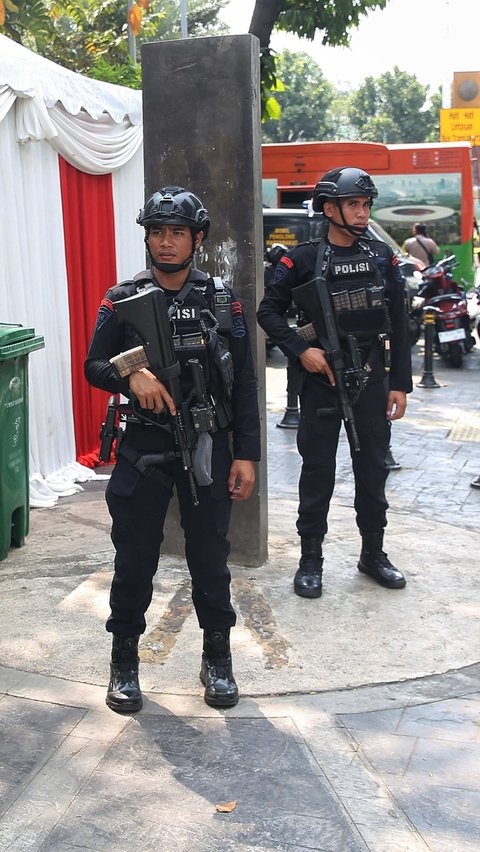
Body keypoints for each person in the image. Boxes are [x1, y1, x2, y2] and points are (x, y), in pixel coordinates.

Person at [84, 186, 260, 713]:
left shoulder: (220, 300)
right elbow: (93, 366)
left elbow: (246, 382)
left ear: (196, 239)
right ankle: (124, 664)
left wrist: (247, 454)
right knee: (134, 561)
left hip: (207, 445)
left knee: (210, 560)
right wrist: (131, 373)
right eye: (157, 232)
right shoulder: (122, 299)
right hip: (144, 446)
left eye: (176, 233)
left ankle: (217, 659)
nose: (165, 243)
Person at [257, 166, 413, 598]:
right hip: (322, 382)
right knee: (318, 471)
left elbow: (399, 322)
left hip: (371, 380)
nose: (361, 213)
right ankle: (311, 560)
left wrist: (400, 383)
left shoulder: (382, 257)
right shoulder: (302, 258)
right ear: (329, 208)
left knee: (373, 470)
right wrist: (300, 350)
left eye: (365, 205)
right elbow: (267, 311)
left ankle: (373, 554)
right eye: (353, 205)